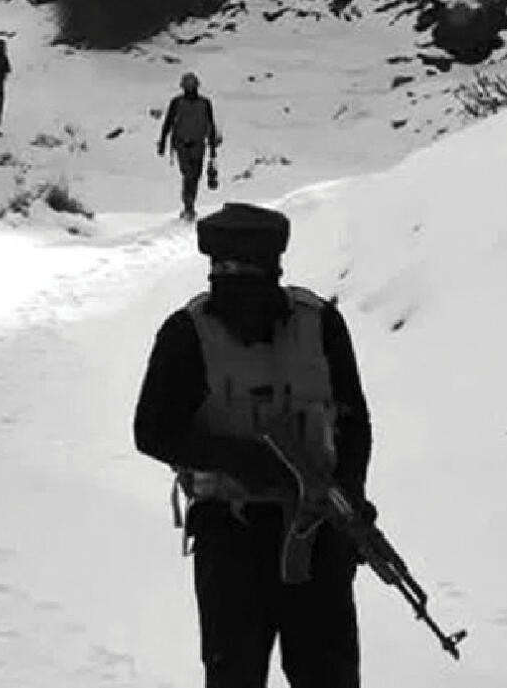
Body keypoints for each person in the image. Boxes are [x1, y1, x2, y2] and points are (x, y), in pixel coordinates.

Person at [132, 202, 374, 688]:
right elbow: (152, 430)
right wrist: (239, 459)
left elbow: (353, 422)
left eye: (249, 272)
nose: (237, 286)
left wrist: (349, 495)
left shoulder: (319, 324)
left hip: (317, 533)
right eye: (225, 272)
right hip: (229, 537)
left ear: (274, 270)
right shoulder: (186, 333)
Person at [157, 72, 221, 221]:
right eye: (187, 85)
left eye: (192, 85)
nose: (190, 88)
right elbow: (168, 123)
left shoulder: (205, 103)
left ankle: (190, 204)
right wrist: (162, 142)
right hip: (182, 145)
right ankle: (188, 206)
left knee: (195, 176)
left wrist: (212, 149)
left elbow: (210, 125)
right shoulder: (176, 103)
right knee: (189, 175)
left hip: (199, 145)